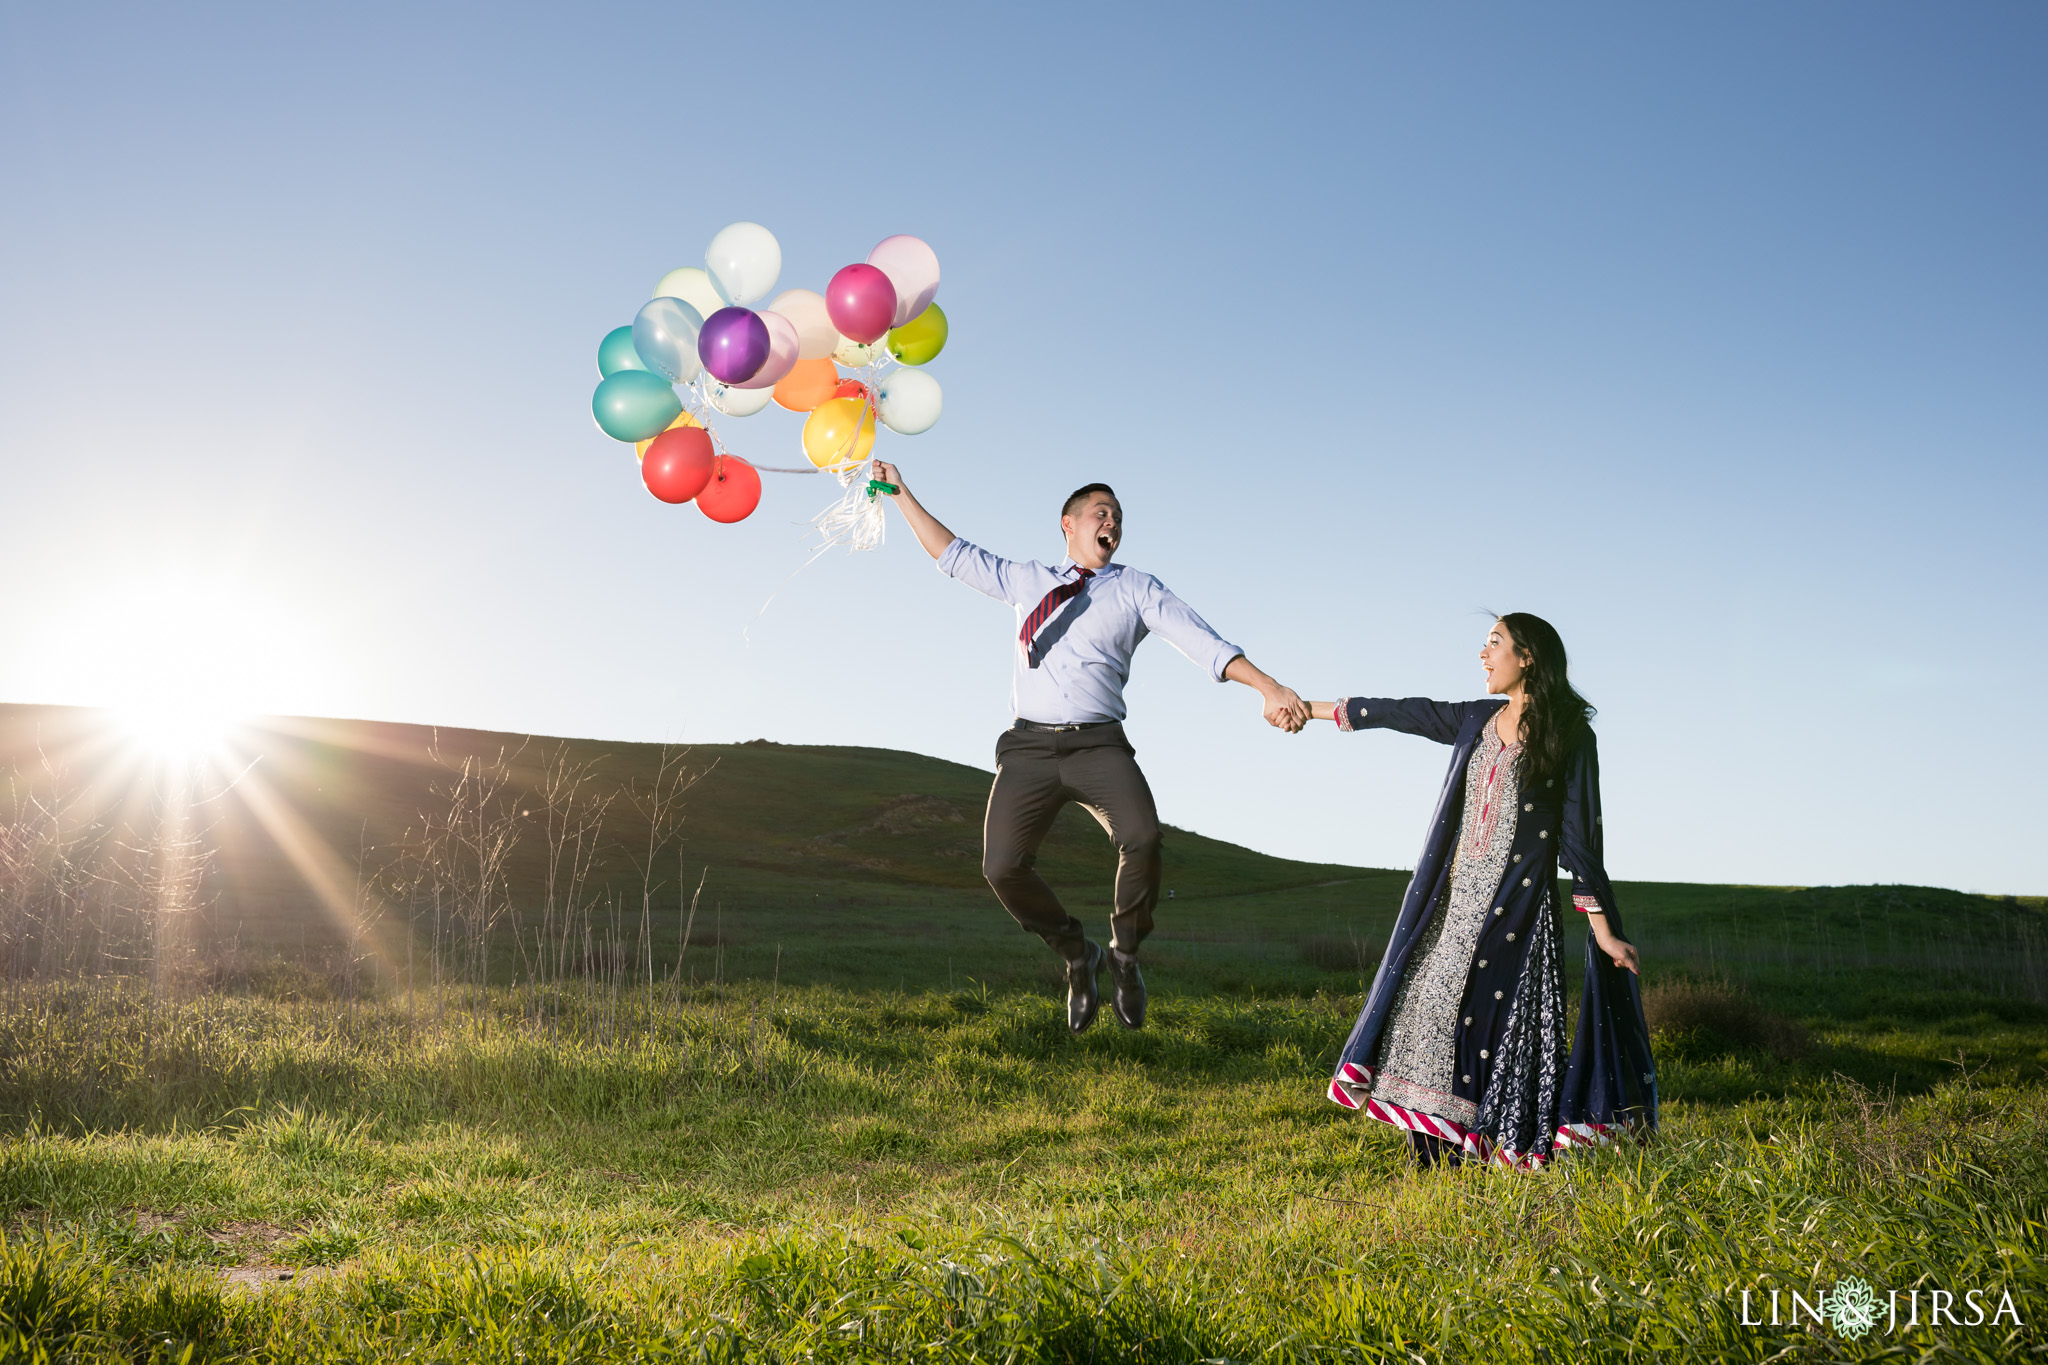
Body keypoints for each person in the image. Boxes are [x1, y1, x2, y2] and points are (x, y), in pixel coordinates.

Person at [872, 460, 1309, 1033]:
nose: (1113, 523)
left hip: (1099, 745)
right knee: (1001, 867)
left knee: (1143, 837)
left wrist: (1268, 686)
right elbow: (952, 554)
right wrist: (902, 490)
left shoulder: (1135, 588)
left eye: (1119, 518)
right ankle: (1079, 955)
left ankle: (1124, 955)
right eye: (1102, 512)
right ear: (1069, 524)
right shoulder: (1026, 580)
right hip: (1028, 749)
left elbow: (1202, 641)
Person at [1307, 614, 1657, 1169]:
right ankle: (1431, 1160)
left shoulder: (1568, 734)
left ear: (1528, 658)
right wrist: (1308, 708)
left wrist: (1605, 933)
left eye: (1494, 644)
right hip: (1449, 905)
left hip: (1513, 913)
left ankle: (1470, 1156)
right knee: (1424, 1011)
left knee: (1482, 1030)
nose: (1482, 654)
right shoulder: (1477, 719)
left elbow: (1580, 839)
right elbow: (1403, 711)